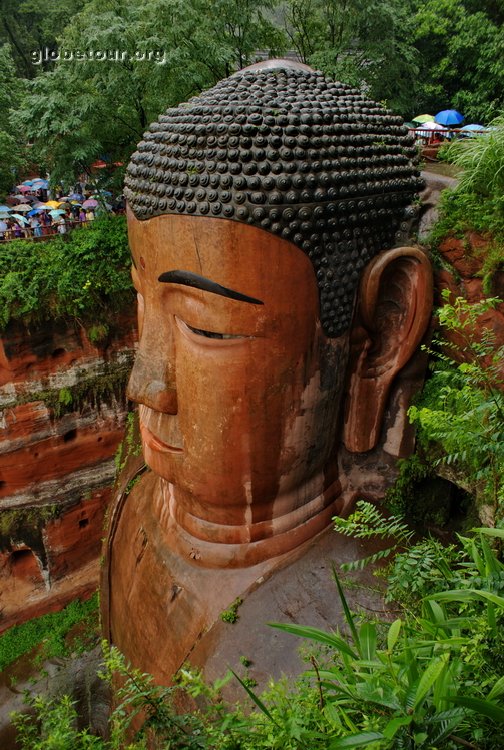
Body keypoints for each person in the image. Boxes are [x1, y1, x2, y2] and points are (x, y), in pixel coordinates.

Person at [102, 60, 432, 689]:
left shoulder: (355, 656)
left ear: (383, 334)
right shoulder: (135, 493)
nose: (145, 385)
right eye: (143, 305)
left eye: (207, 328)